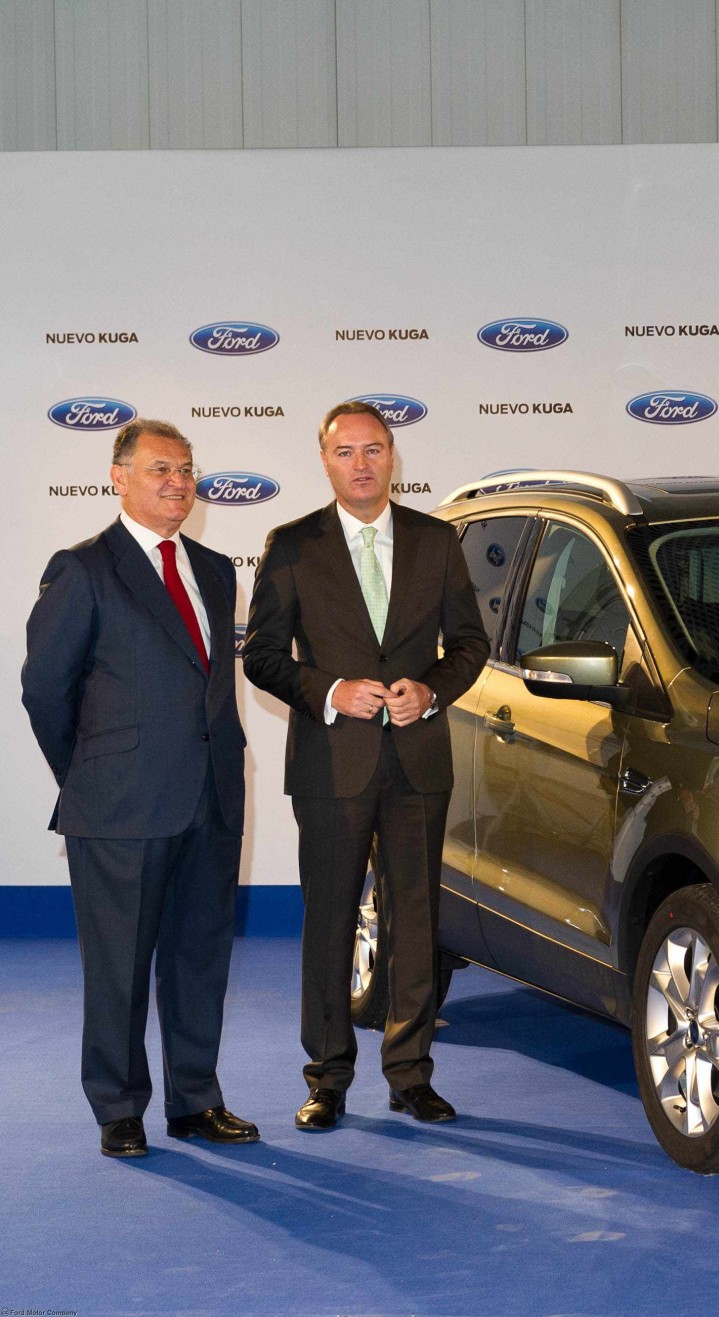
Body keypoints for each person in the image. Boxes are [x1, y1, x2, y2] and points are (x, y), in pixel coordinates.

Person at [241, 401, 488, 1130]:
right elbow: (261, 655)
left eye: (373, 449)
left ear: (392, 457)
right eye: (345, 451)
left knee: (416, 921)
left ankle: (411, 1074)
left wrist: (431, 691)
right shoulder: (292, 545)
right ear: (325, 461)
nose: (361, 463)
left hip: (417, 761)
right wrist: (330, 691)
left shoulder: (435, 540)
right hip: (331, 764)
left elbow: (470, 644)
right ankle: (328, 1077)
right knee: (330, 922)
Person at [22, 419, 255, 1157]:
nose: (178, 483)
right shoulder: (83, 568)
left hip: (210, 798)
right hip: (118, 805)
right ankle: (118, 1108)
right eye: (160, 469)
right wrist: (90, 773)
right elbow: (44, 689)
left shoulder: (214, 568)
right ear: (118, 477)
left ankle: (196, 1100)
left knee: (199, 960)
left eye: (186, 470)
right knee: (118, 967)